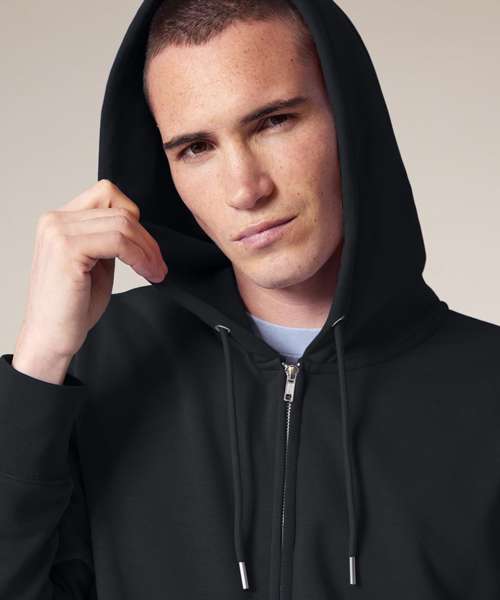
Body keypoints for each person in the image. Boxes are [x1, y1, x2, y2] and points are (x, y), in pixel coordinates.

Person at [0, 0, 499, 598]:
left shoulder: (486, 385)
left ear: (350, 119)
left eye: (274, 122)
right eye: (196, 148)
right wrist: (39, 362)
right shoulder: (99, 368)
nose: (244, 189)